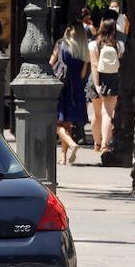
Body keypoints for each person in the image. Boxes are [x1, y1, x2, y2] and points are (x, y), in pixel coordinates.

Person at [50, 21, 89, 165]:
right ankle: (63, 156)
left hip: (62, 87)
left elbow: (50, 63)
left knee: (55, 122)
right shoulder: (83, 49)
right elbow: (83, 75)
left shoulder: (61, 45)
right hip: (76, 89)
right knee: (67, 124)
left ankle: (72, 144)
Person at [89, 18, 124, 153]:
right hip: (112, 79)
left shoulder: (93, 45)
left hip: (96, 78)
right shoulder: (119, 45)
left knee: (97, 114)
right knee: (108, 113)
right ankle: (105, 143)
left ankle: (97, 143)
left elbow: (94, 65)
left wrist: (97, 85)